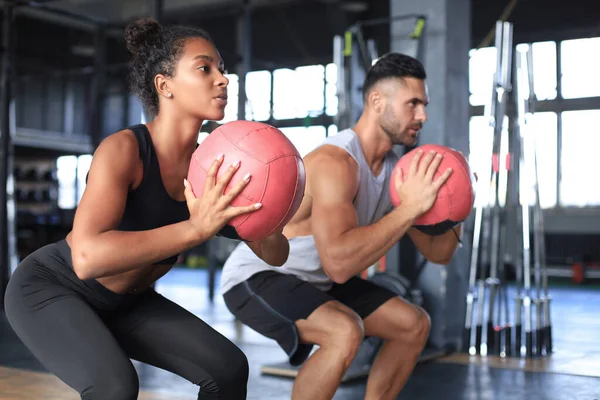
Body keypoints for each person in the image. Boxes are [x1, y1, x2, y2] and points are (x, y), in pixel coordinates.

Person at [4, 17, 289, 400]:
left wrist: (265, 199)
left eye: (222, 69)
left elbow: (276, 253)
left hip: (127, 301)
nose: (222, 79)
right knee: (115, 386)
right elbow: (86, 258)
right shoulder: (123, 150)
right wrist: (195, 229)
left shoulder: (212, 167)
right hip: (52, 289)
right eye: (205, 68)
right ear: (164, 85)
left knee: (228, 369)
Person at [220, 52, 463, 400]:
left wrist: (458, 204)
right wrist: (409, 208)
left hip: (317, 281)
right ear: (377, 101)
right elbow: (339, 265)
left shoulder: (399, 172)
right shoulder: (335, 162)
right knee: (343, 331)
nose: (422, 116)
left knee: (413, 324)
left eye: (423, 105)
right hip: (258, 276)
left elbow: (438, 253)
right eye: (413, 104)